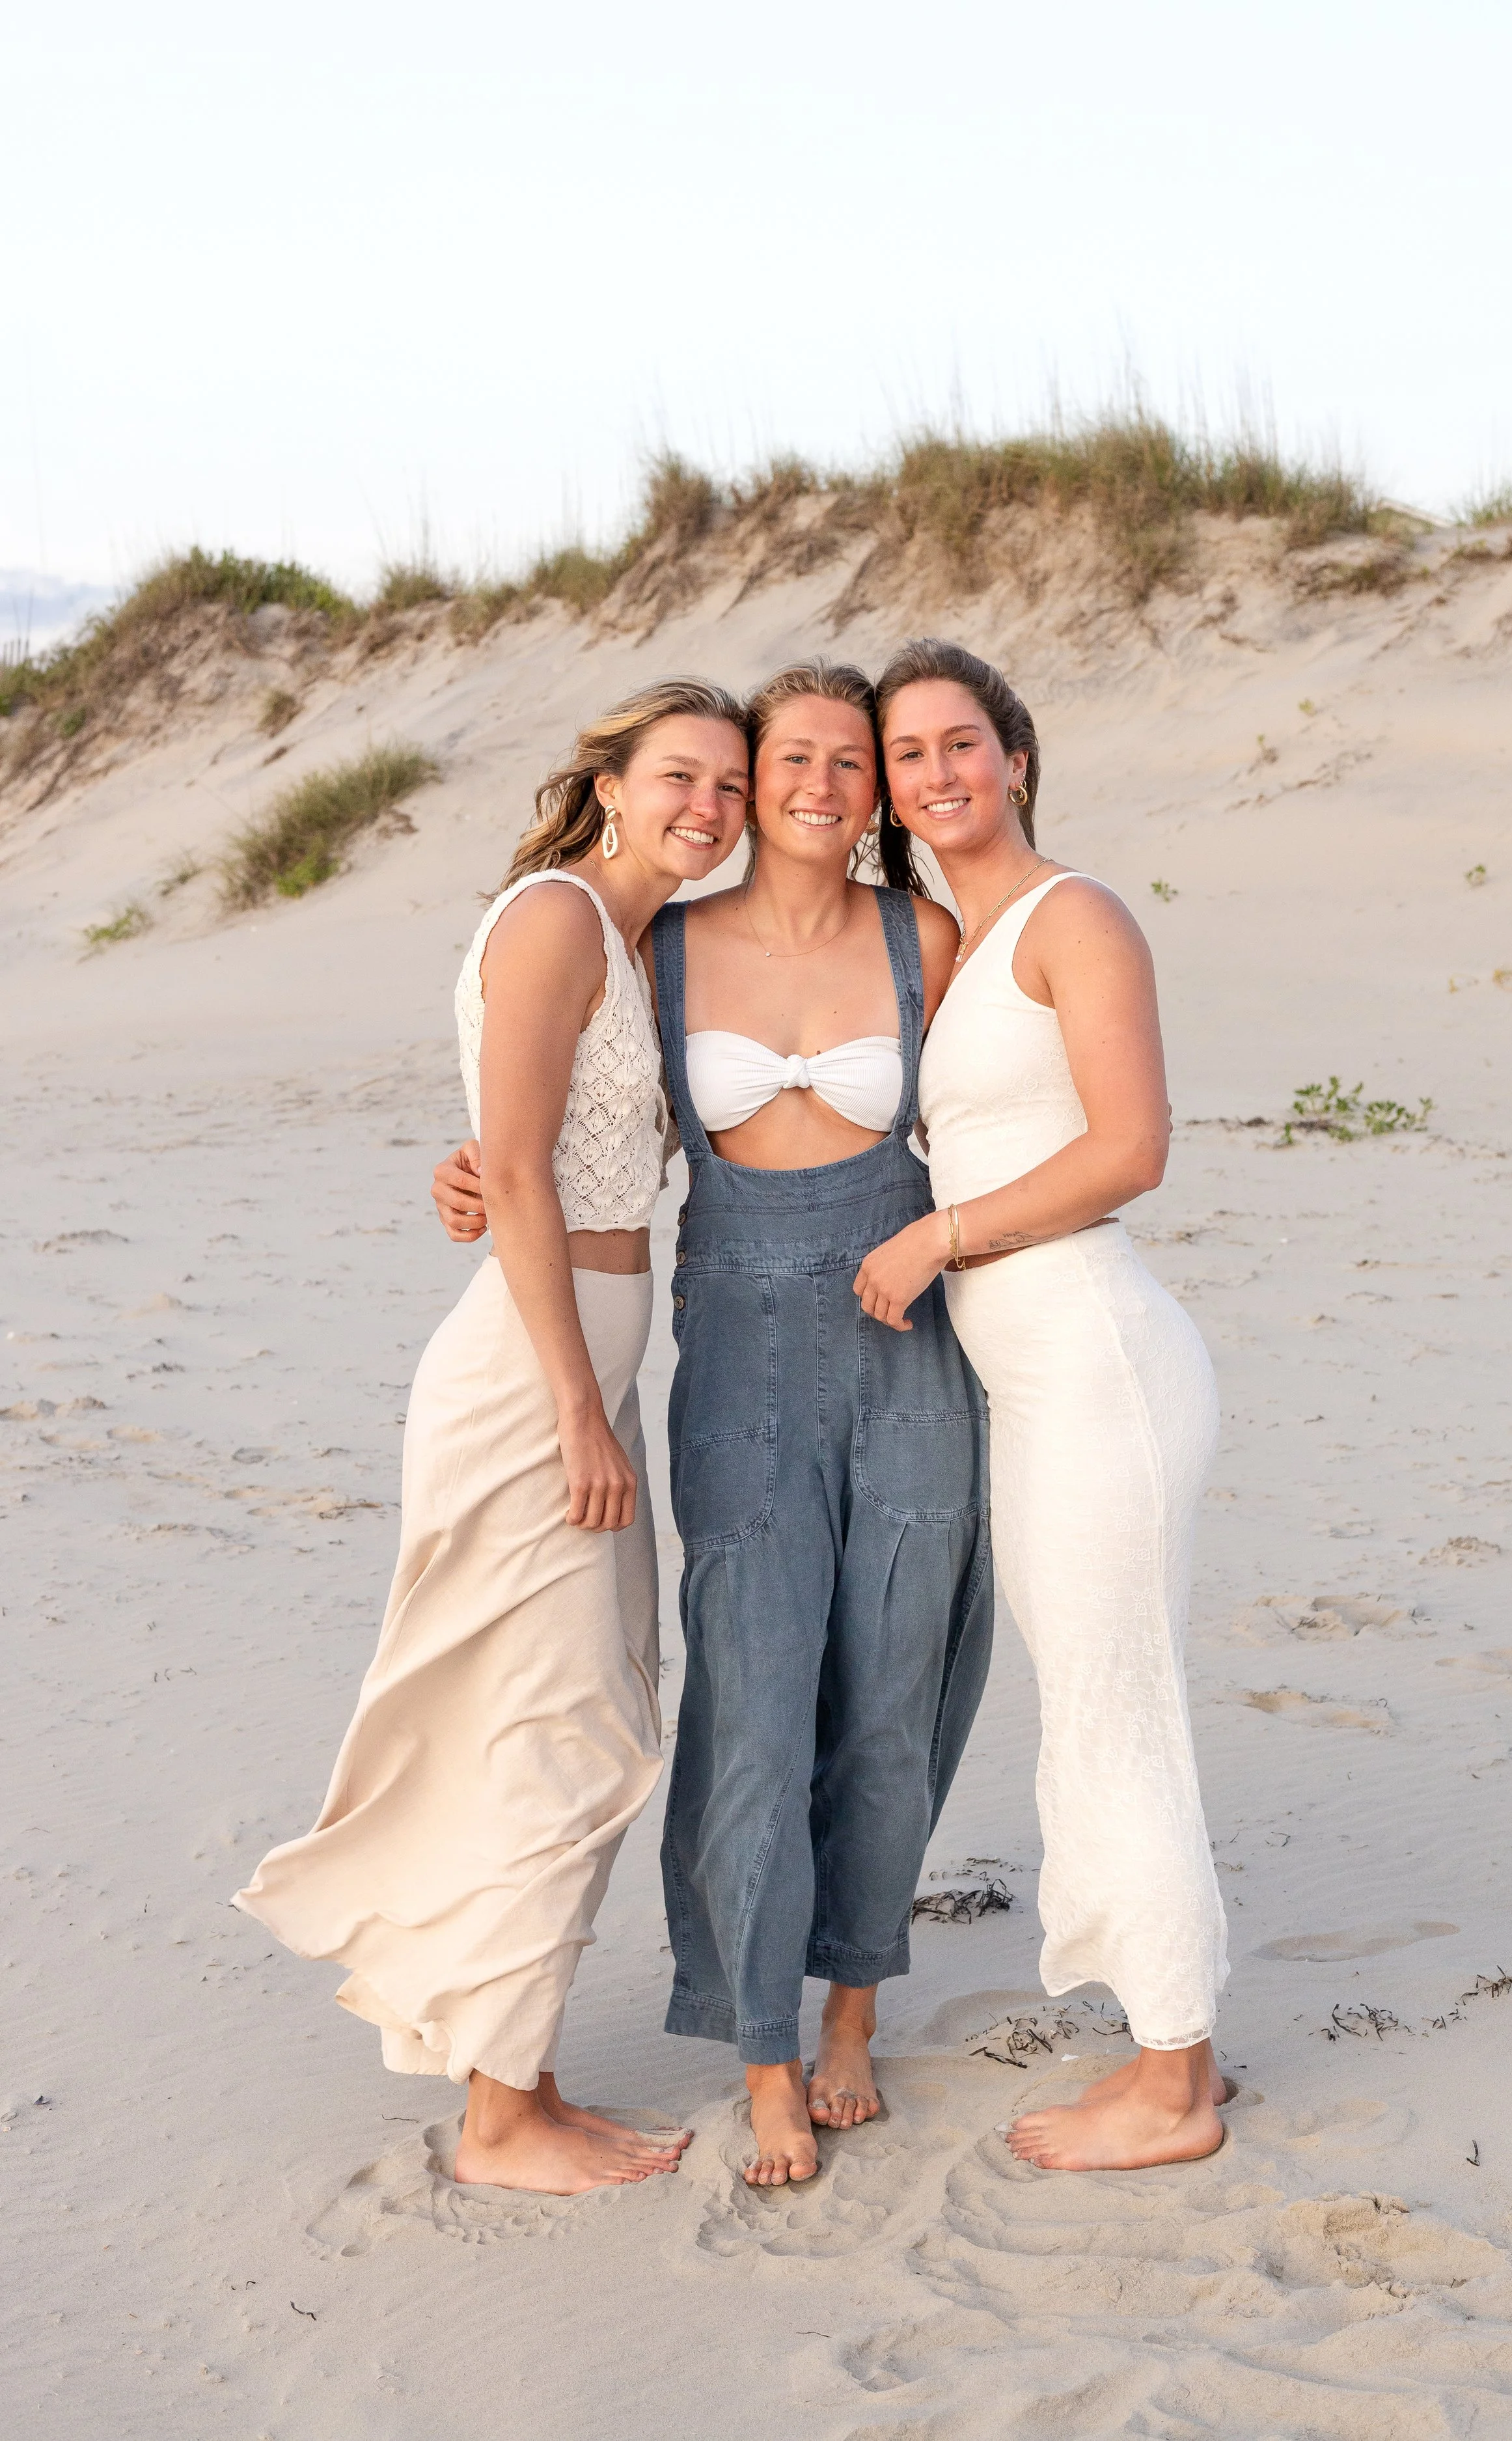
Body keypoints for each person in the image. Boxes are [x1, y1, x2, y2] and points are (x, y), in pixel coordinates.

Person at [433, 661, 994, 2188]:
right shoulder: (660, 945)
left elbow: (1009, 1114)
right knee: (749, 1704)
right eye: (785, 759)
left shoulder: (923, 937)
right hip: (737, 1345)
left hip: (910, 1336)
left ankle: (851, 2018)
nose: (813, 786)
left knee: (894, 1689)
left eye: (841, 764)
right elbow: (575, 1113)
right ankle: (759, 2051)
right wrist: (477, 1170)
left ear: (874, 795)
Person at [236, 680, 749, 2195]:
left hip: (583, 1346)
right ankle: (502, 2114)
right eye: (680, 776)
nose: (707, 807)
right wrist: (580, 1411)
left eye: (726, 785)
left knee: (561, 1712)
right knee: (556, 1719)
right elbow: (519, 1176)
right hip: (538, 1375)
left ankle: (511, 2074)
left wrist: (473, 1179)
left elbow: (506, 1153)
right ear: (609, 778)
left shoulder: (641, 943)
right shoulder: (551, 918)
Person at [853, 637, 1230, 2173]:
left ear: (1013, 754)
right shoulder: (952, 939)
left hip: (1096, 1356)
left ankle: (1174, 2084)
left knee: (1110, 1708)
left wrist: (940, 1234)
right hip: (1032, 1372)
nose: (935, 774)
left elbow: (1129, 1147)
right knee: (1091, 1703)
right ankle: (1166, 2043)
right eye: (905, 756)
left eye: (959, 743)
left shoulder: (1074, 917)